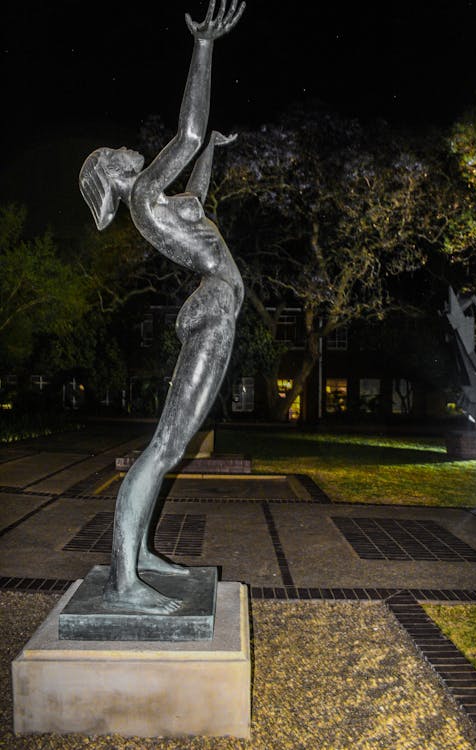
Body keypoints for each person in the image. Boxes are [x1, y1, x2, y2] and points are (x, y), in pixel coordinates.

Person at [79, 0, 245, 614]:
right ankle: (126, 583)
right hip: (212, 311)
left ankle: (141, 554)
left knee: (169, 442)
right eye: (116, 153)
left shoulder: (163, 203)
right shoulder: (144, 196)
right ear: (113, 176)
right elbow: (189, 131)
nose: (126, 149)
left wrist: (212, 153)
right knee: (166, 446)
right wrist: (203, 48)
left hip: (212, 307)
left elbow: (197, 189)